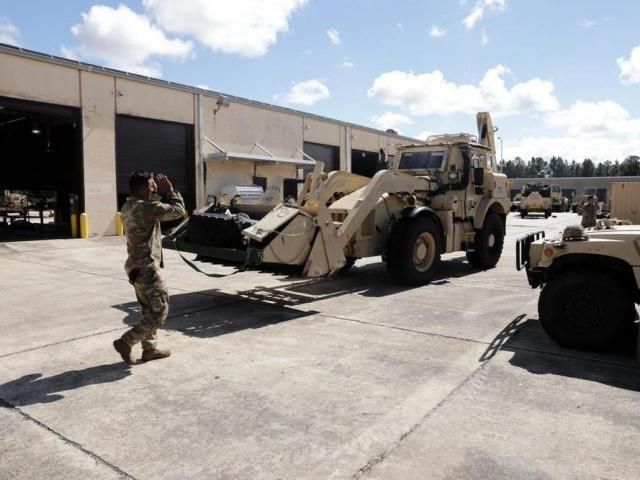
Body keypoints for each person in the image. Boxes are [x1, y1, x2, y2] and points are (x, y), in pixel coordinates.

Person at [113, 172, 186, 365]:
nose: (155, 189)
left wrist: (157, 194)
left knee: (148, 310)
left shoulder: (128, 206)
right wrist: (170, 191)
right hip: (147, 269)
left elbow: (154, 207)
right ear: (143, 188)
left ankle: (150, 350)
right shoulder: (146, 208)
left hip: (134, 268)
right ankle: (126, 341)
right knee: (159, 311)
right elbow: (178, 211)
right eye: (152, 185)